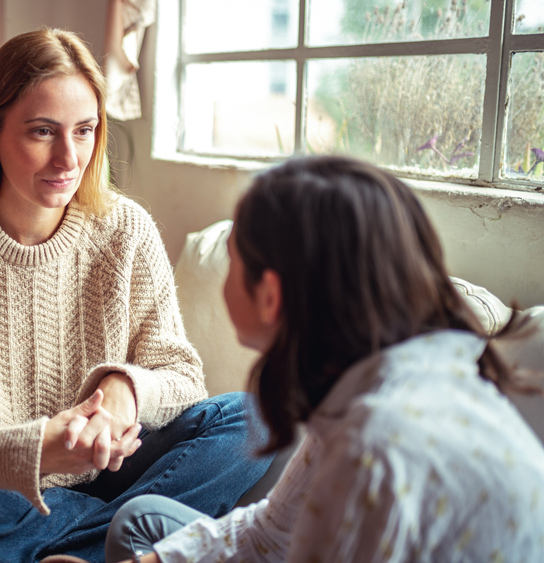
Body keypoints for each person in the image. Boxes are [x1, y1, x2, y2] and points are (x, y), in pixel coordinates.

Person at [0, 28, 274, 563]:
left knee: (255, 415)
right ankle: (120, 543)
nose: (68, 158)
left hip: (117, 468)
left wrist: (124, 392)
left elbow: (180, 373)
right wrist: (36, 449)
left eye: (84, 130)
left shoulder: (127, 229)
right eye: (42, 132)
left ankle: (67, 548)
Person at [105, 155, 544, 562]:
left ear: (271, 295)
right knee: (141, 524)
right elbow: (272, 532)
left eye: (234, 258)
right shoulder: (373, 377)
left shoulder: (373, 447)